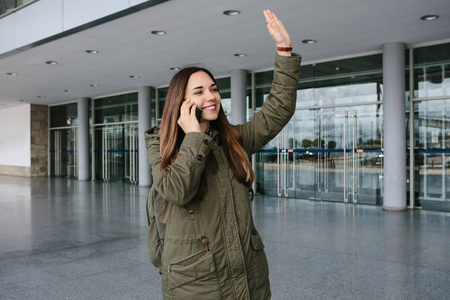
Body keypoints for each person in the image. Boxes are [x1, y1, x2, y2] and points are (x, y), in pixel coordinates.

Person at [145, 10, 302, 300]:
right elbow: (177, 191)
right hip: (197, 286)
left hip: (248, 278)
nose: (211, 96)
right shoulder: (161, 144)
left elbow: (277, 110)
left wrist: (284, 51)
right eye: (200, 91)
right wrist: (193, 136)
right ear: (182, 101)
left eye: (214, 89)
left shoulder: (232, 140)